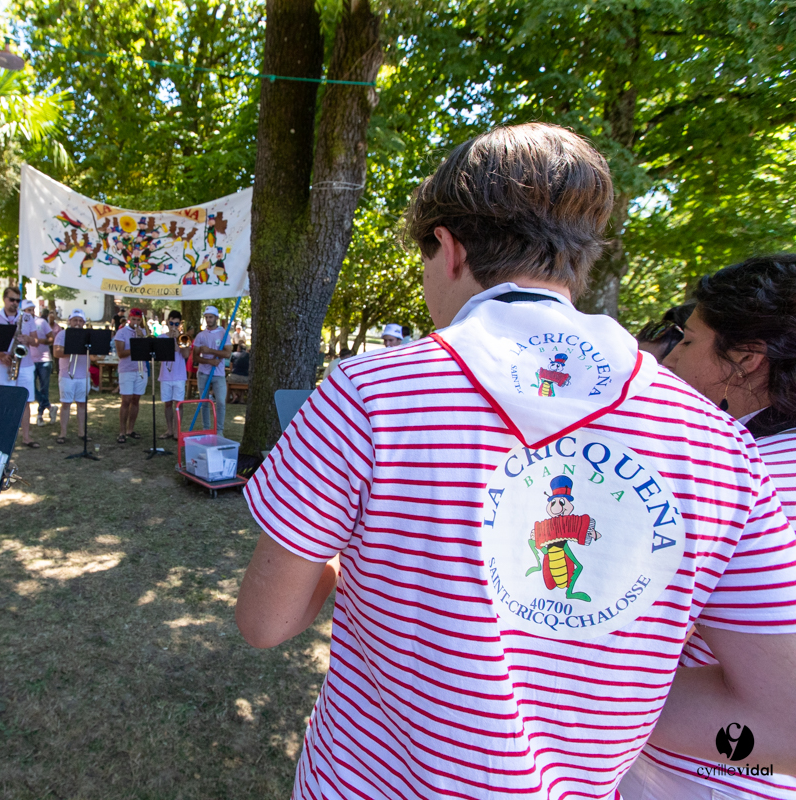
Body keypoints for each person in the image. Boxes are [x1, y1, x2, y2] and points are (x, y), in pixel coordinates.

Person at [235, 123, 796, 800]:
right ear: (577, 262)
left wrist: (342, 557)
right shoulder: (722, 446)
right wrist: (598, 700)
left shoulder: (370, 394)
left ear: (447, 247)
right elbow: (778, 720)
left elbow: (266, 624)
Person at [621, 255, 796, 800]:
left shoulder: (746, 474)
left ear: (746, 359)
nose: (670, 360)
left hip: (701, 774)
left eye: (689, 342)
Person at [0, 296, 41, 449]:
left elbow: (36, 342)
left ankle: (26, 437)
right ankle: (4, 436)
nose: (14, 303)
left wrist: (28, 339)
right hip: (4, 364)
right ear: (4, 300)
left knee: (26, 401)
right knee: (6, 401)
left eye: (17, 300)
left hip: (25, 364)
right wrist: (2, 356)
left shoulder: (27, 317)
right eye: (11, 299)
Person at [54, 309, 90, 443]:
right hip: (67, 374)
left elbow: (94, 356)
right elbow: (57, 353)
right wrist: (74, 348)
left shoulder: (88, 335)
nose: (78, 323)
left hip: (84, 375)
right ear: (70, 321)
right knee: (65, 404)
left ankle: (82, 432)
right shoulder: (62, 334)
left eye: (80, 321)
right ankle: (63, 433)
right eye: (75, 320)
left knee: (82, 404)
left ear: (84, 323)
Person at [192, 306, 230, 435]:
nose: (208, 320)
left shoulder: (224, 333)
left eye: (211, 317)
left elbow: (228, 353)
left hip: (218, 374)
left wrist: (210, 351)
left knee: (220, 402)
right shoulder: (201, 335)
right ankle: (206, 429)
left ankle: (219, 430)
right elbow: (195, 357)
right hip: (203, 373)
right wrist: (209, 361)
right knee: (204, 402)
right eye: (206, 317)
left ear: (216, 318)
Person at [113, 307, 148, 443]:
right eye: (134, 319)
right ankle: (122, 431)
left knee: (136, 400)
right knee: (126, 400)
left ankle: (130, 429)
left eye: (138, 320)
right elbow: (121, 353)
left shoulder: (143, 332)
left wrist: (142, 338)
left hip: (141, 369)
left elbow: (148, 350)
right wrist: (137, 345)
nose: (136, 322)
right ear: (129, 318)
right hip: (127, 369)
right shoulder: (121, 332)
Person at [160, 310, 191, 441]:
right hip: (165, 375)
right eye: (171, 323)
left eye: (176, 323)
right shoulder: (161, 337)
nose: (173, 326)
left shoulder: (184, 338)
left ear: (180, 324)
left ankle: (178, 431)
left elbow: (185, 355)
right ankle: (169, 429)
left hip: (179, 375)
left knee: (179, 404)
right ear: (167, 322)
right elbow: (160, 356)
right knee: (167, 404)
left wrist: (179, 339)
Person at [31, 306, 56, 427]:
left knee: (43, 388)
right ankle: (50, 407)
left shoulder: (41, 322)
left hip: (44, 359)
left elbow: (51, 338)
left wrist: (40, 341)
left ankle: (40, 416)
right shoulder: (21, 324)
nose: (29, 312)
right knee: (31, 387)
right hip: (29, 360)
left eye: (31, 310)